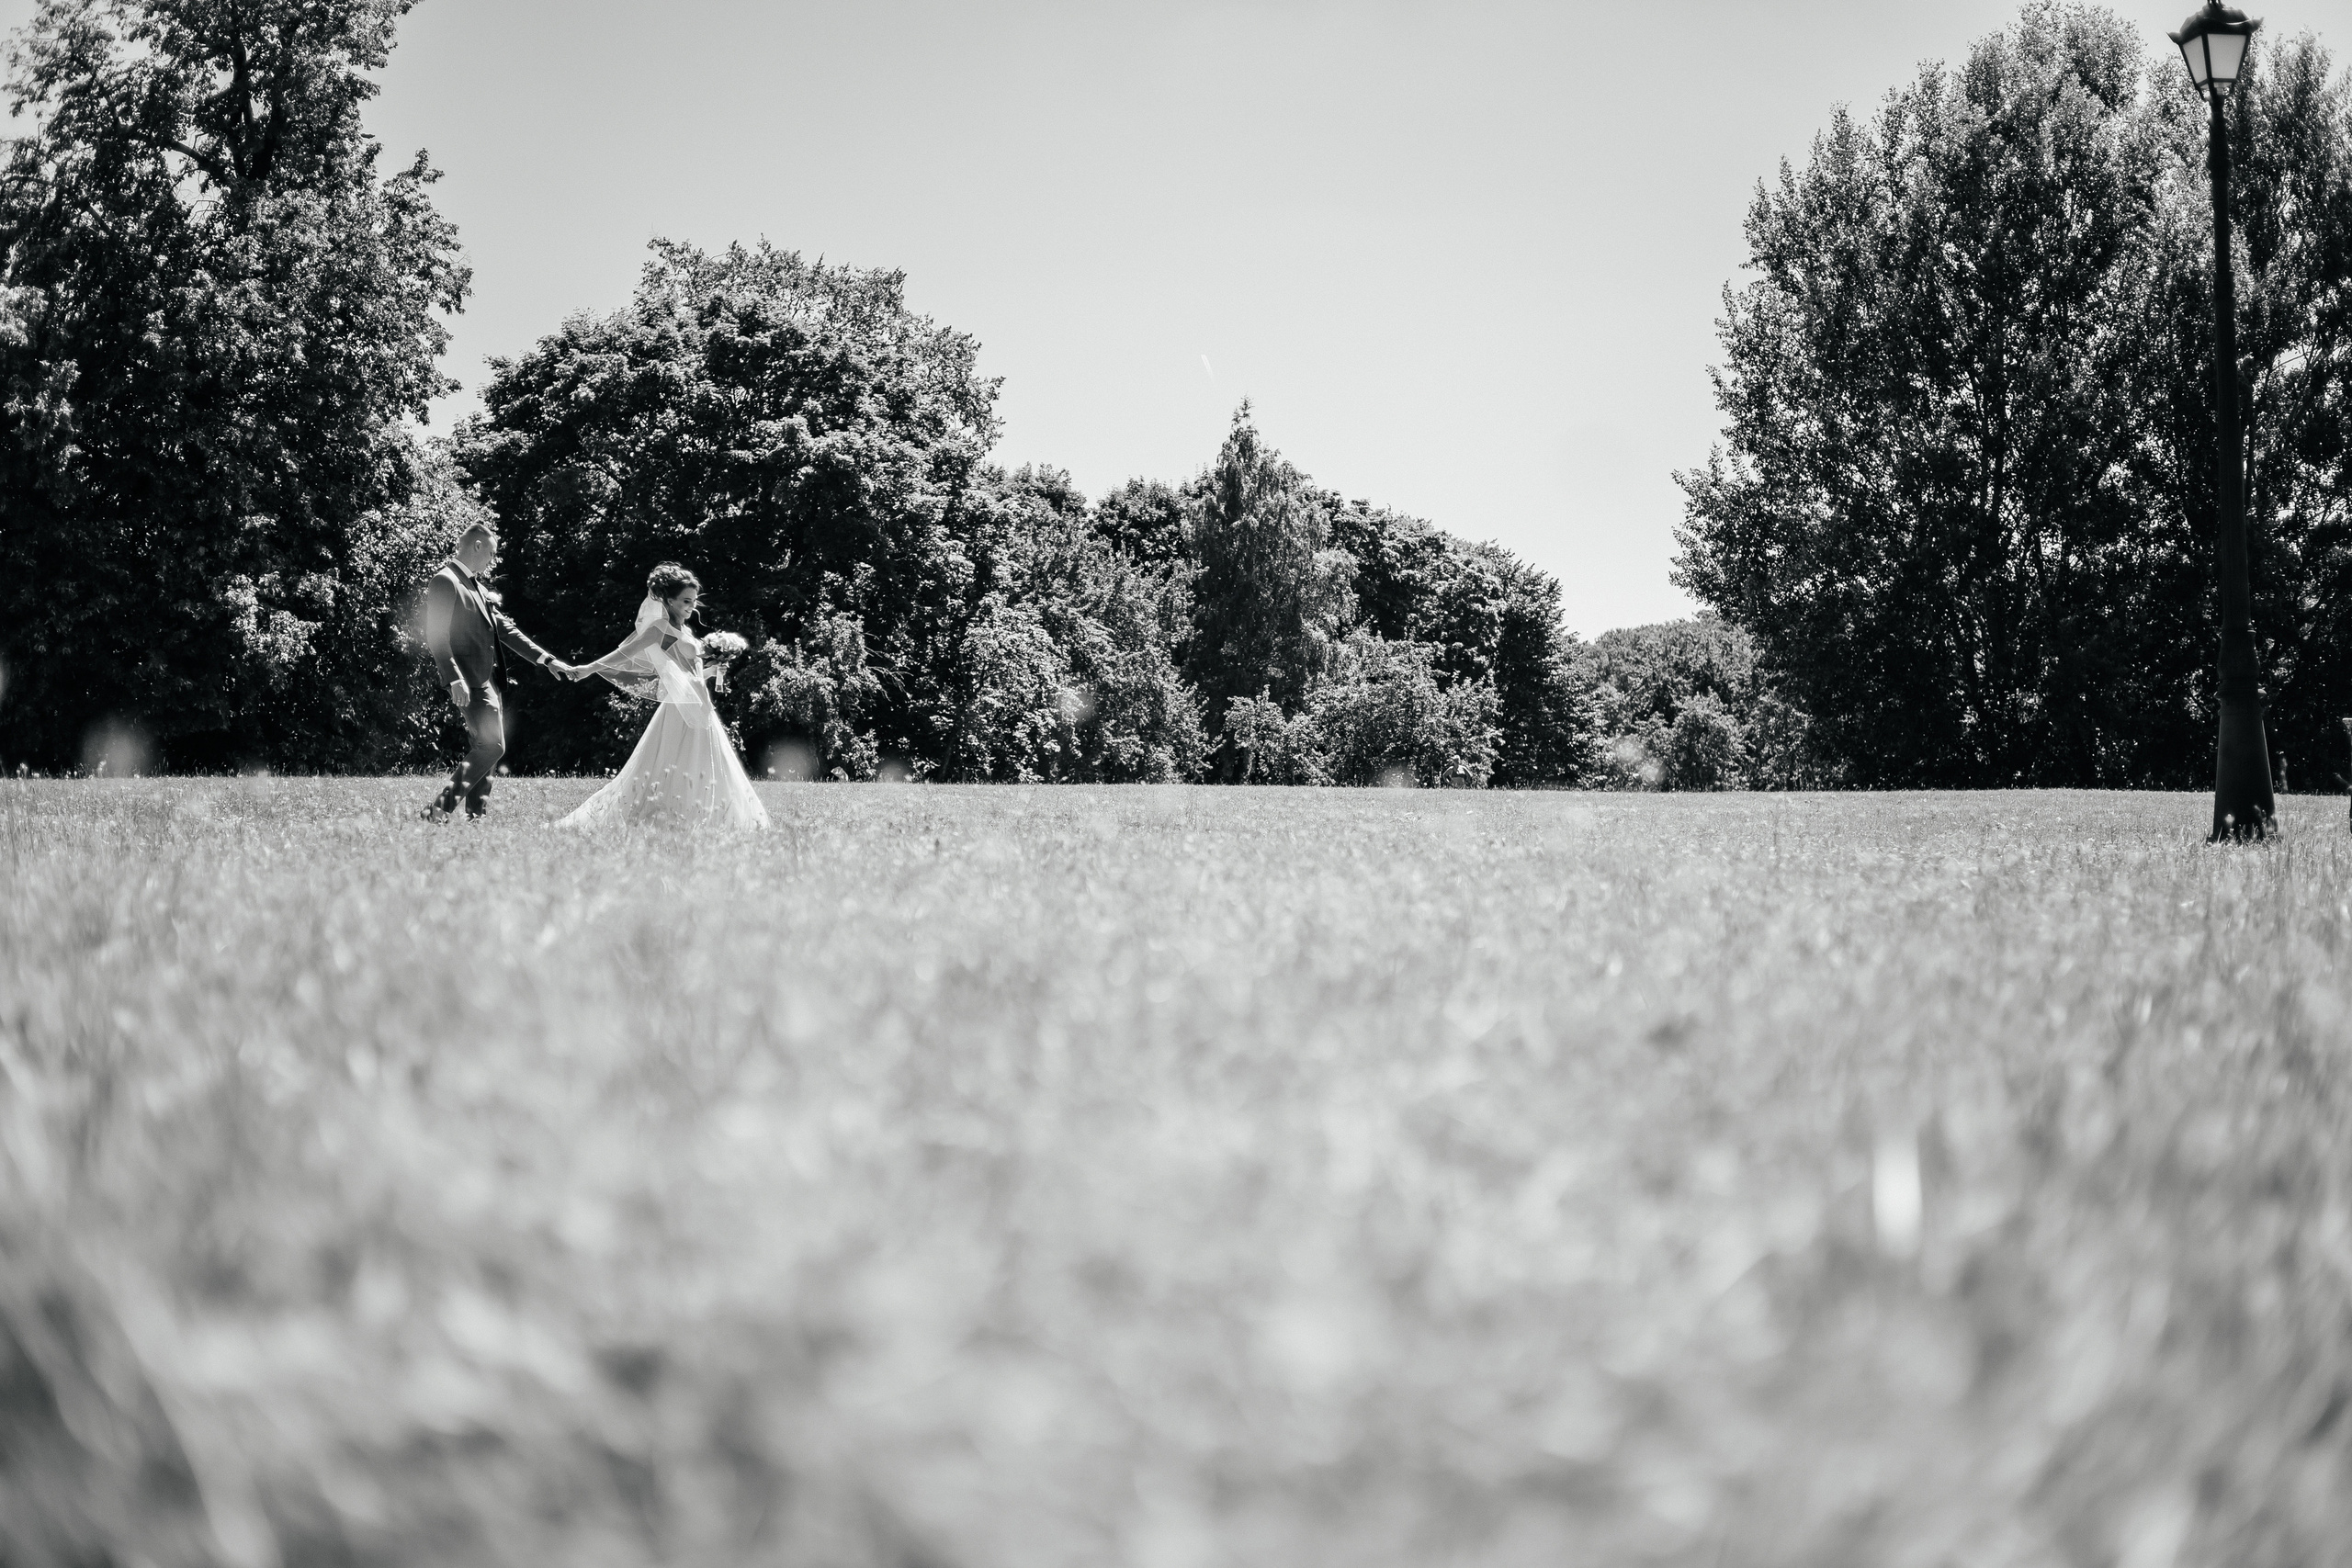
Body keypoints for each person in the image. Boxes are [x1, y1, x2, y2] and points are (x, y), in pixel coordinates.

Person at [558, 562, 768, 831]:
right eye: (685, 601)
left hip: (700, 705)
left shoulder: (687, 632)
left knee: (705, 762)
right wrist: (590, 668)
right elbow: (627, 652)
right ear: (669, 600)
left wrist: (715, 668)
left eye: (693, 600)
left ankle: (707, 819)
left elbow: (690, 674)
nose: (691, 606)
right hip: (680, 707)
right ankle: (667, 817)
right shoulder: (660, 628)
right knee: (672, 763)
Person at [421, 525, 574, 819]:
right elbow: (436, 635)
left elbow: (506, 630)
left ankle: (475, 816)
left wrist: (546, 659)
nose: (493, 558)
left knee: (487, 749)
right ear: (476, 546)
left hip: (487, 681)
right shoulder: (445, 580)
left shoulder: (476, 585)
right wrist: (454, 677)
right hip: (468, 680)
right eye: (491, 552)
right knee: (492, 746)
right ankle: (438, 810)